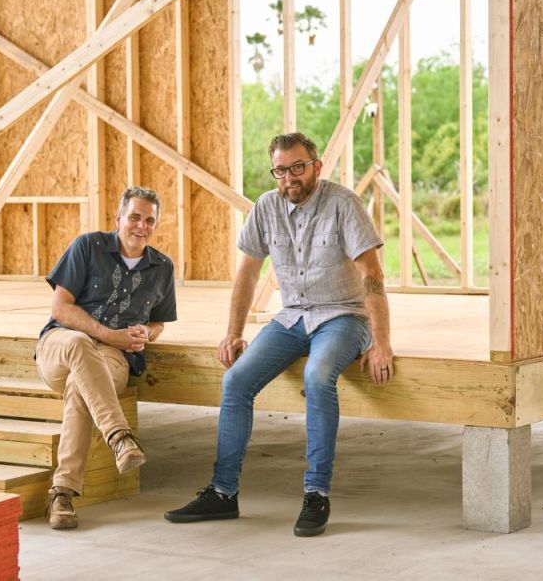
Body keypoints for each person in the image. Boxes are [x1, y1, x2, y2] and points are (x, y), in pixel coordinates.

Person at [164, 132, 393, 537]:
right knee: (235, 380)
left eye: (298, 168)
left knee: (318, 377)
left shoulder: (343, 204)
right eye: (281, 170)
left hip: (343, 316)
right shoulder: (266, 207)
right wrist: (233, 334)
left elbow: (371, 275)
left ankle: (316, 493)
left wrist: (382, 343)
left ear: (316, 168)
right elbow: (248, 274)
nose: (289, 178)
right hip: (290, 319)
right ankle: (222, 492)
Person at [36, 186, 177, 530]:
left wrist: (148, 333)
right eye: (134, 217)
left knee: (79, 388)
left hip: (115, 357)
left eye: (149, 220)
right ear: (118, 218)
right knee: (80, 349)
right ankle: (120, 438)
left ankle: (63, 494)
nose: (141, 226)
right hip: (61, 345)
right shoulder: (88, 246)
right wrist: (107, 334)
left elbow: (159, 321)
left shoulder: (162, 267)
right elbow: (61, 307)